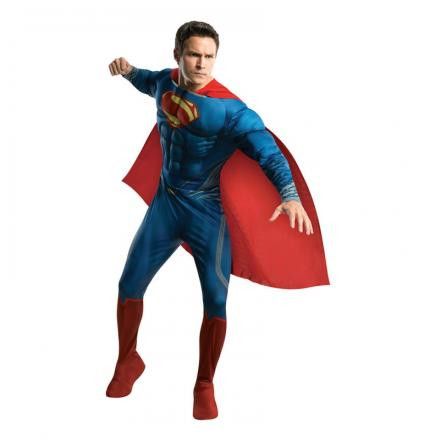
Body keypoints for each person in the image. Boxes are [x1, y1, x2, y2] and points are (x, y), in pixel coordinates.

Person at [106, 21, 327, 420]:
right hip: (165, 205)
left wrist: (289, 194)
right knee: (128, 284)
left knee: (215, 300)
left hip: (206, 214)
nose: (202, 64)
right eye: (194, 54)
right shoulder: (166, 82)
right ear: (178, 55)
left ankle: (204, 383)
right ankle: (128, 360)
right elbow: (146, 81)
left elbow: (268, 152)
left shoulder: (231, 111)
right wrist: (127, 70)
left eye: (209, 56)